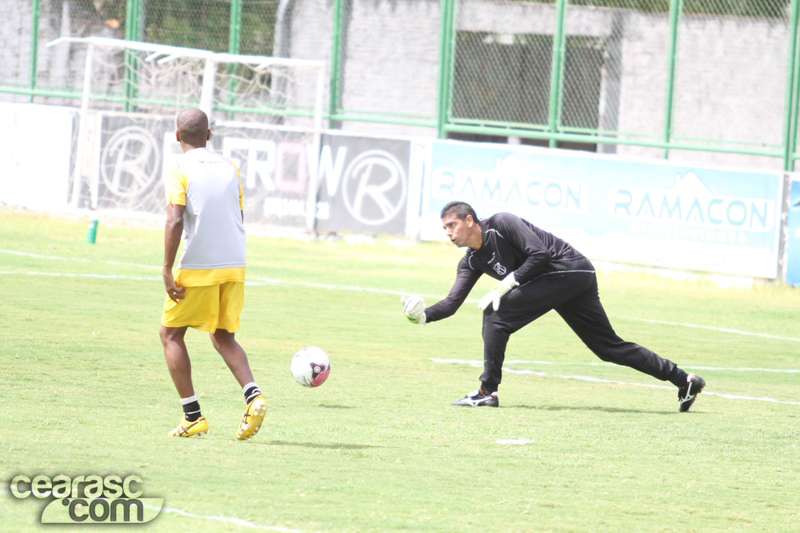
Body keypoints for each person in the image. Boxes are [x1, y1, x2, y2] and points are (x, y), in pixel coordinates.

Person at [401, 201, 705, 411]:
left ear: (470, 221)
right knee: (607, 348)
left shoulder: (502, 223)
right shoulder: (470, 261)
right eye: (444, 228)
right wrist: (423, 316)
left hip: (571, 269)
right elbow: (453, 303)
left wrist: (505, 284)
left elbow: (540, 255)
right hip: (559, 283)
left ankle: (486, 392)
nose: (448, 233)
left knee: (495, 314)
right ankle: (684, 380)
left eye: (451, 225)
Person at [160, 108, 267, 439]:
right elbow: (239, 216)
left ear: (177, 137)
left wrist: (166, 268)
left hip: (199, 265)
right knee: (223, 336)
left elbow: (175, 219)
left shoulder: (178, 167)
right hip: (235, 263)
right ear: (209, 135)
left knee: (171, 335)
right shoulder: (230, 166)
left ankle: (192, 416)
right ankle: (254, 396)